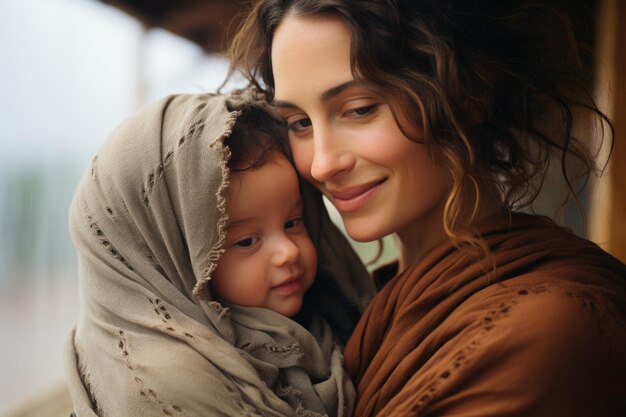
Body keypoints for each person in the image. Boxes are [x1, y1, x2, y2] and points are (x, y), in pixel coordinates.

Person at [227, 1, 626, 415]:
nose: (322, 163)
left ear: (468, 92)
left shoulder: (545, 329)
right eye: (300, 123)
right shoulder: (352, 309)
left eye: (360, 109)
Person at [63, 88, 375, 417]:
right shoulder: (167, 387)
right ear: (176, 256)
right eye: (246, 241)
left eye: (293, 222)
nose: (287, 252)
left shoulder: (325, 319)